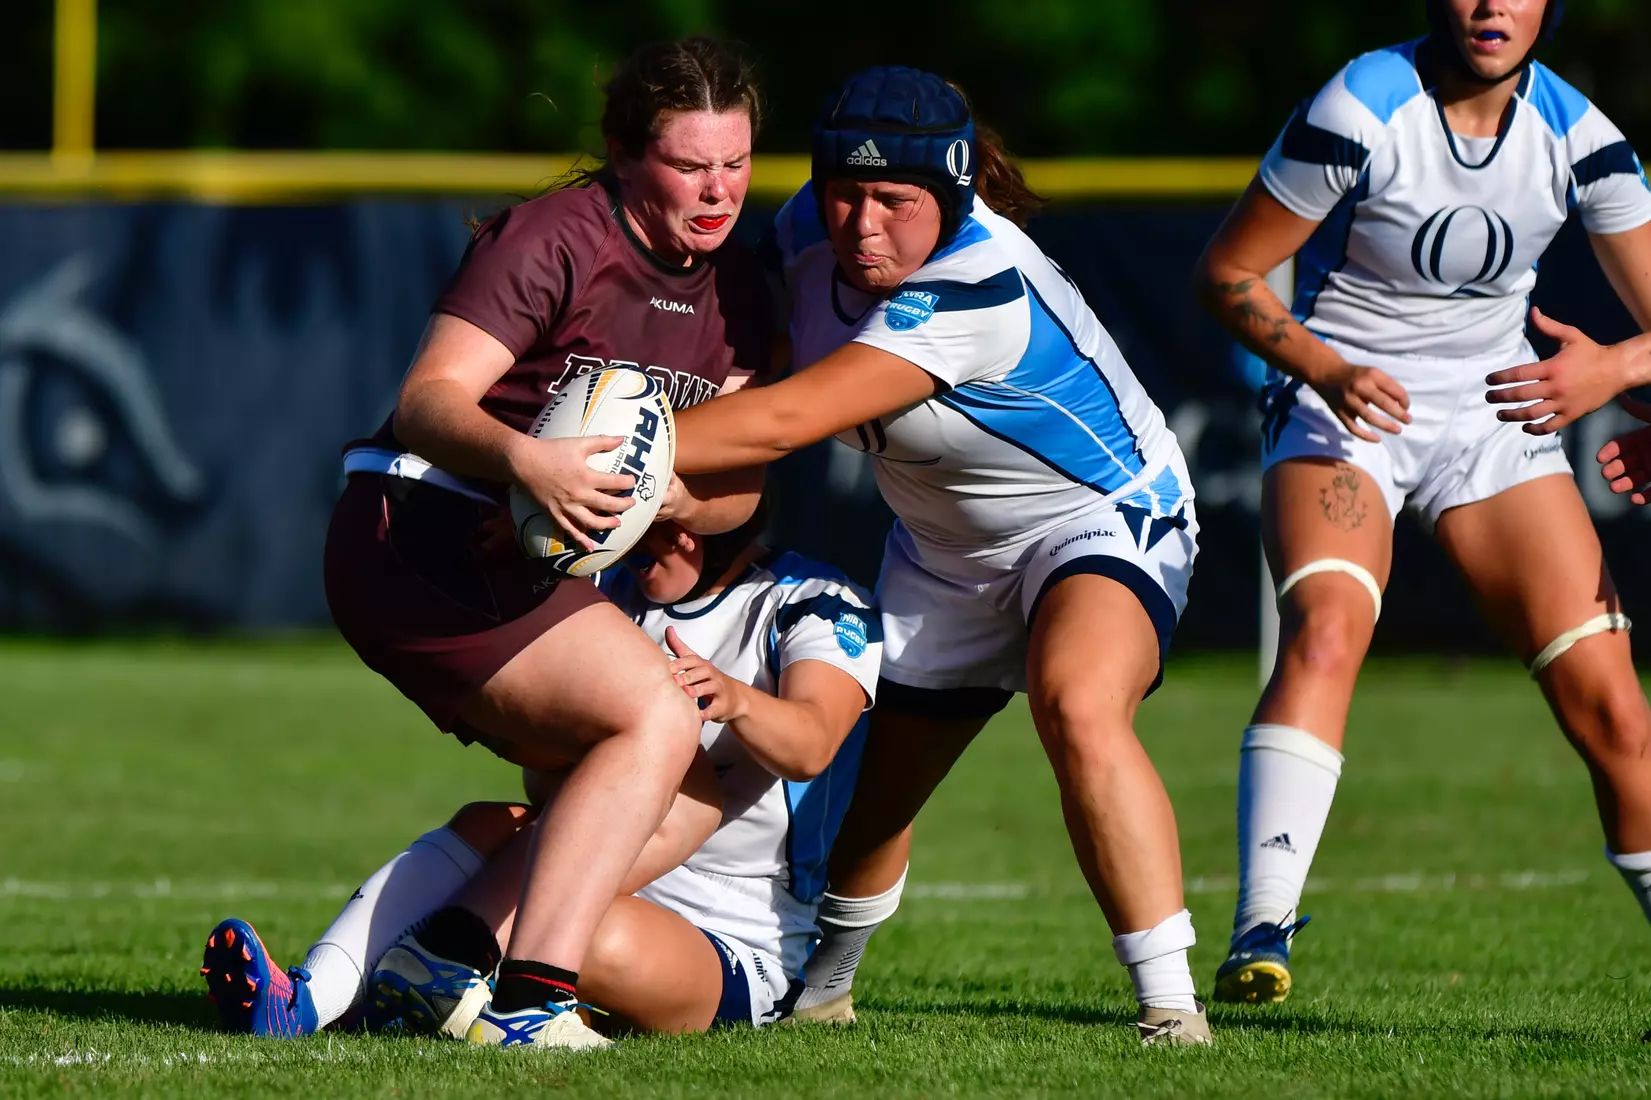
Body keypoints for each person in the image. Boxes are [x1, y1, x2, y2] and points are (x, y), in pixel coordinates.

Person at [217, 37, 774, 1051]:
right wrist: (532, 464)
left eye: (733, 163)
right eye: (689, 165)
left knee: (591, 800)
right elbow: (426, 402)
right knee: (652, 718)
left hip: (508, 562)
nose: (717, 188)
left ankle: (322, 993)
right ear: (621, 154)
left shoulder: (739, 288)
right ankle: (530, 1003)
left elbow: (739, 490)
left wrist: (658, 503)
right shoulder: (557, 236)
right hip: (417, 526)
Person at [669, 66, 1209, 1045]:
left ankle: (1170, 1004)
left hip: (1095, 517)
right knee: (873, 793)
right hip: (940, 551)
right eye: (845, 190)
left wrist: (622, 453)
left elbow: (788, 416)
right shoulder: (799, 232)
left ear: (950, 194)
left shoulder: (976, 281)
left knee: (1077, 701)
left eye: (893, 199)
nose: (862, 222)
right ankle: (822, 987)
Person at [1192, 0, 1651, 1006]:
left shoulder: (1583, 140)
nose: (1492, 5)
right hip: (1344, 401)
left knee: (1615, 706)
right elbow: (1225, 272)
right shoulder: (1362, 105)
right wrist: (1322, 365)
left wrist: (1613, 368)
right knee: (1326, 626)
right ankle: (1260, 924)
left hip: (1494, 413)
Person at [201, 513, 881, 1040]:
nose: (639, 540)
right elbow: (550, 790)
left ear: (702, 524)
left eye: (658, 523)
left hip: (734, 931)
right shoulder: (604, 593)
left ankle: (443, 992)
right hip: (626, 863)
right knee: (489, 824)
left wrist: (733, 698)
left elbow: (812, 744)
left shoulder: (816, 600)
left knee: (590, 927)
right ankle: (307, 1000)